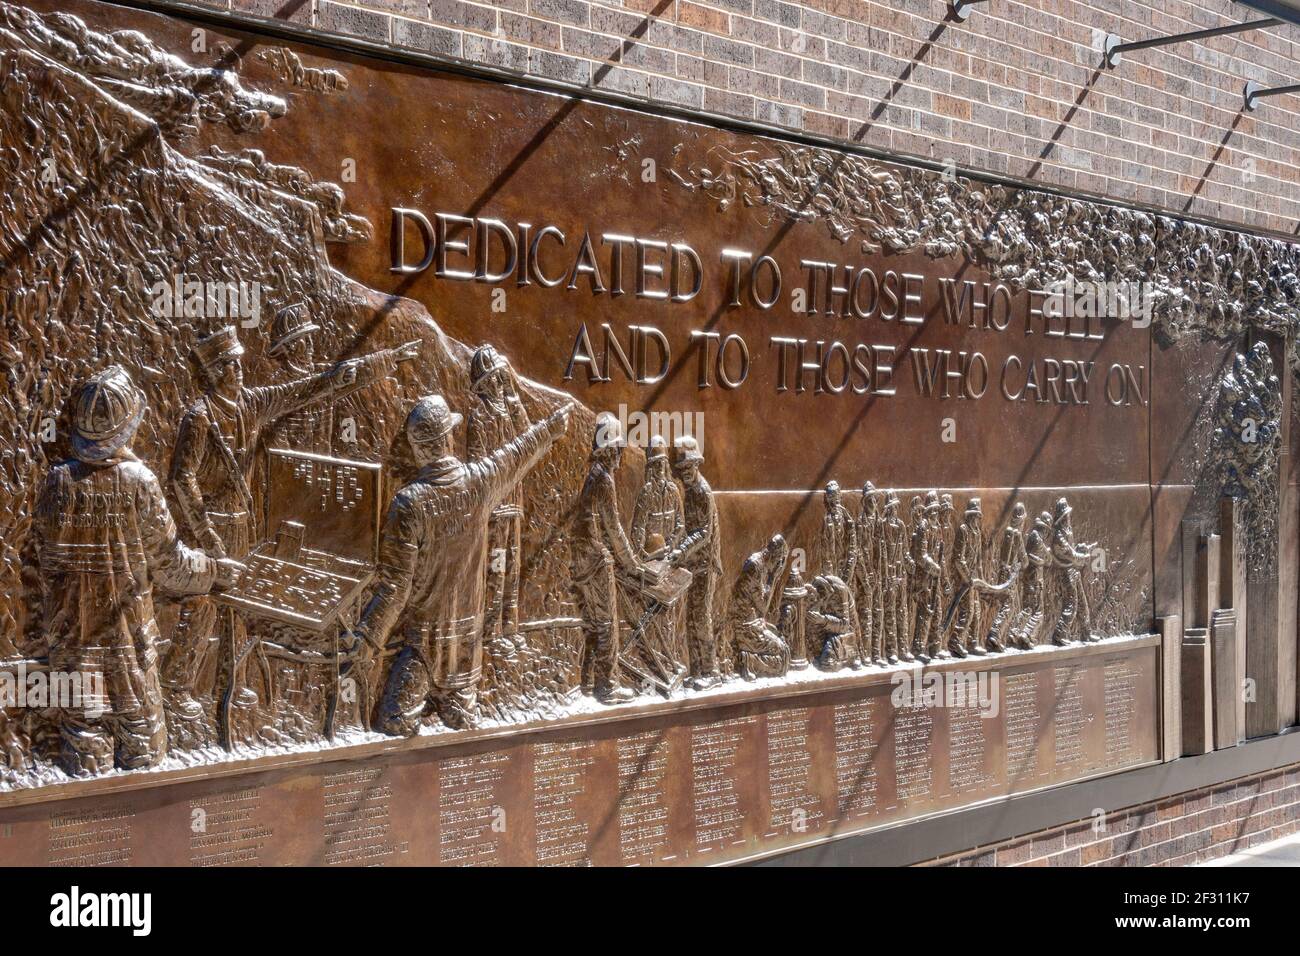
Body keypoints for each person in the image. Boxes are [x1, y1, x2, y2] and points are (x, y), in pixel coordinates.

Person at [163, 325, 415, 737]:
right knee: (203, 608)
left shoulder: (249, 405)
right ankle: (176, 687)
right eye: (229, 365)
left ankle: (233, 683)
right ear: (214, 372)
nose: (239, 370)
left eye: (238, 362)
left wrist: (382, 362)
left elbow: (312, 387)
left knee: (242, 610)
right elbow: (181, 479)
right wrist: (206, 534)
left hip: (241, 526)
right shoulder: (200, 418)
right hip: (209, 530)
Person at [34, 366, 241, 776]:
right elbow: (171, 566)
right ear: (128, 426)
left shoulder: (58, 482)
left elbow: (50, 560)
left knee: (84, 763)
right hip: (128, 653)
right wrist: (215, 569)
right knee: (143, 760)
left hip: (74, 653)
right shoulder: (139, 481)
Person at [345, 394, 571, 733]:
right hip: (466, 649)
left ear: (419, 449)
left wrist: (367, 637)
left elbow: (395, 586)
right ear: (449, 438)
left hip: (424, 648)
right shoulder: (479, 481)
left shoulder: (409, 504)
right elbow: (517, 453)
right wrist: (551, 428)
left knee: (393, 723)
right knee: (464, 731)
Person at [568, 414, 662, 704]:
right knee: (607, 623)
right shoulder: (604, 479)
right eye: (619, 448)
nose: (621, 454)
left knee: (593, 622)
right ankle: (607, 687)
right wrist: (634, 565)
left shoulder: (592, 475)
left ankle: (587, 682)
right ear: (610, 449)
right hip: (596, 560)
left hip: (584, 557)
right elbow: (614, 529)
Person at [466, 344, 532, 655]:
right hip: (494, 509)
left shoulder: (509, 408)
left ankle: (510, 626)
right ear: (482, 383)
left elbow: (530, 437)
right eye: (492, 378)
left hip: (514, 504)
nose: (497, 383)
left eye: (499, 377)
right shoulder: (479, 415)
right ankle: (491, 632)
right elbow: (477, 463)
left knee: (513, 568)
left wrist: (515, 400)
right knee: (495, 568)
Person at [667, 434, 722, 689]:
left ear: (697, 465)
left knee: (702, 618)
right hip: (693, 564)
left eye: (688, 467)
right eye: (681, 469)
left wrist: (683, 550)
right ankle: (698, 669)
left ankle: (710, 672)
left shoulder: (702, 491)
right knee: (692, 618)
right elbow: (686, 527)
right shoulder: (689, 491)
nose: (685, 473)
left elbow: (703, 533)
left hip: (705, 565)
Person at [727, 534, 791, 679]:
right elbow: (763, 607)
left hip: (752, 622)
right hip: (745, 627)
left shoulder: (759, 564)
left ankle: (751, 660)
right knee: (783, 657)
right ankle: (749, 661)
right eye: (779, 561)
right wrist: (774, 578)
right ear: (774, 557)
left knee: (784, 651)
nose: (778, 566)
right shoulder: (755, 567)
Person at [1049, 497, 1096, 645]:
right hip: (1066, 574)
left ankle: (1086, 633)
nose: (1069, 517)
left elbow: (1072, 552)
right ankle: (1059, 634)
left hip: (1074, 571)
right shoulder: (1058, 536)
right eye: (1067, 515)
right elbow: (1070, 555)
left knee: (1082, 604)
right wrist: (1084, 557)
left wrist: (1080, 549)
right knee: (1072, 604)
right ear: (1063, 517)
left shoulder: (1067, 531)